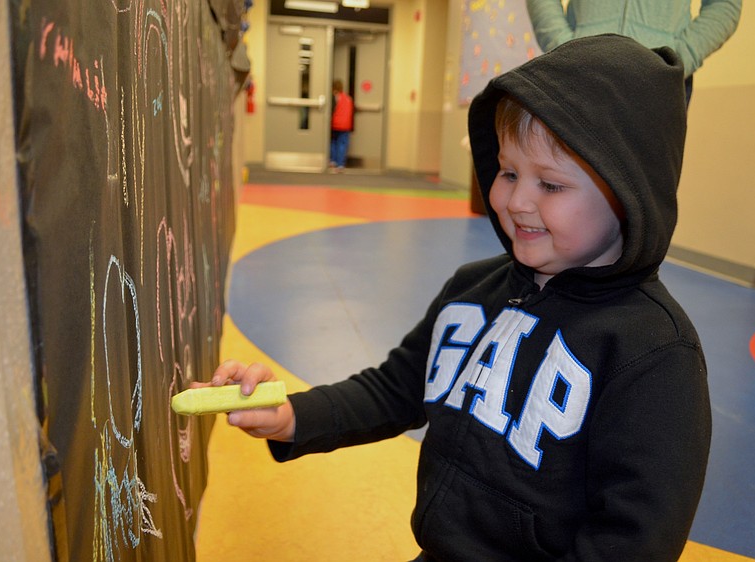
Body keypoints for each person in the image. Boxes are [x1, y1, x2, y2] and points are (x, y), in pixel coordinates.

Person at [201, 35, 711, 561]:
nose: (515, 200)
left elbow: (633, 541)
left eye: (551, 185)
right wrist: (291, 415)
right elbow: (394, 388)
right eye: (509, 172)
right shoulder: (473, 289)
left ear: (631, 192)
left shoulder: (653, 352)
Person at [525, 0, 741, 104]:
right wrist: (564, 47)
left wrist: (678, 56)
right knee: (568, 179)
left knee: (648, 187)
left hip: (660, 81)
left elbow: (724, 5)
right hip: (578, 74)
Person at [329, 79, 354, 172]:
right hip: (346, 125)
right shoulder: (348, 98)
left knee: (333, 142)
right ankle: (340, 165)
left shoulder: (334, 97)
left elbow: (332, 111)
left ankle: (333, 161)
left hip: (335, 124)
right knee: (342, 144)